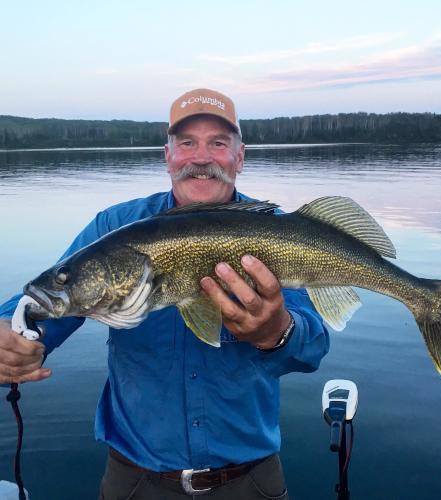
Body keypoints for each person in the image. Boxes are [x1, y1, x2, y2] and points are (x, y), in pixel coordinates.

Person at [0, 89, 330, 499]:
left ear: (239, 158)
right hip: (135, 480)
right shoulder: (115, 226)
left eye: (218, 143)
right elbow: (51, 301)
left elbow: (311, 349)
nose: (201, 157)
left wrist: (277, 331)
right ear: (168, 157)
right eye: (187, 143)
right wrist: (13, 333)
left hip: (250, 480)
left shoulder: (280, 232)